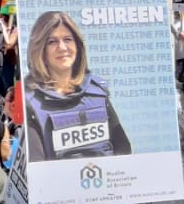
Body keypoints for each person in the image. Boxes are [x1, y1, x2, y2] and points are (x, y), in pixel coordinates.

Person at [21, 9, 132, 161]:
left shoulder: (97, 90)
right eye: (52, 42)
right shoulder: (29, 101)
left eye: (67, 39)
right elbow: (36, 164)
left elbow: (123, 149)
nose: (62, 47)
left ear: (78, 45)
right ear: (40, 50)